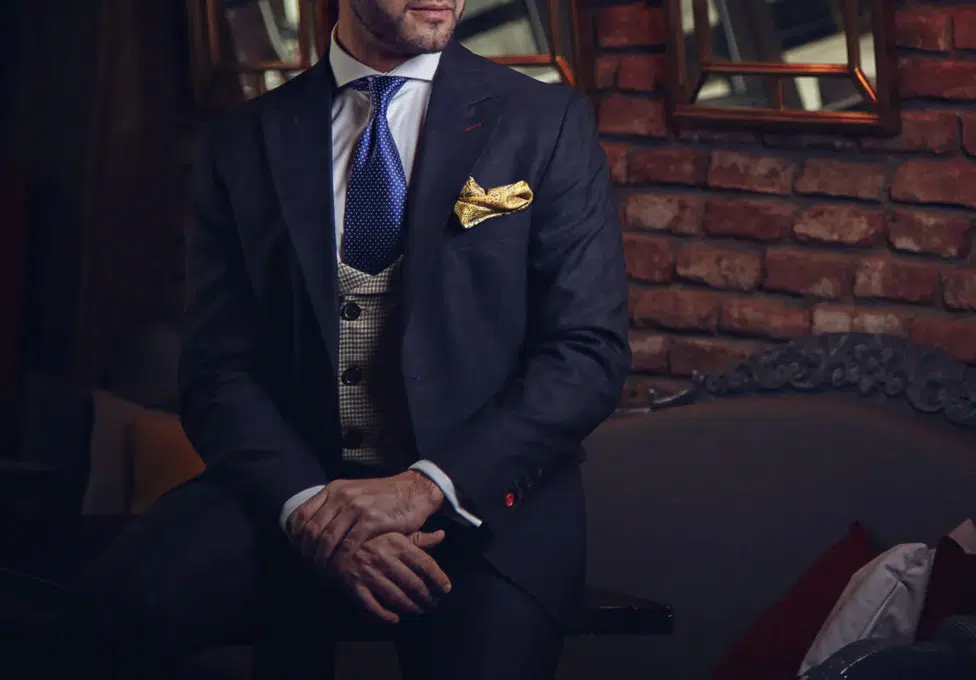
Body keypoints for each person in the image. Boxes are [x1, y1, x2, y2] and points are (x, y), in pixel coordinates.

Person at [51, 0, 630, 677]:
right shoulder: (243, 140)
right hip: (299, 487)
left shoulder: (545, 121)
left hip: (487, 507)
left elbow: (587, 352)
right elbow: (217, 372)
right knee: (107, 610)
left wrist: (424, 487)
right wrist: (311, 510)